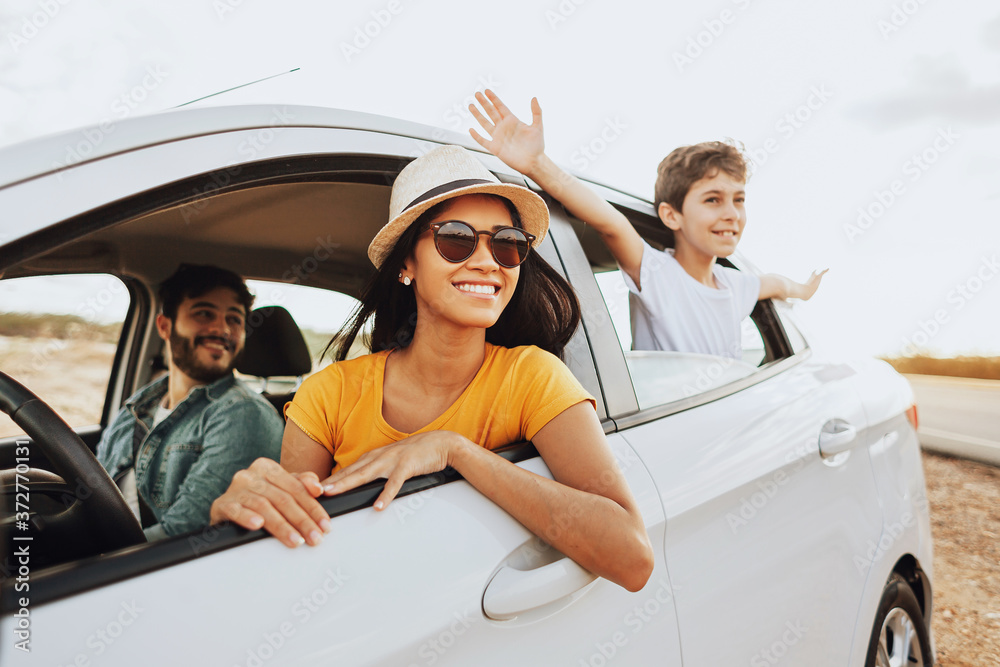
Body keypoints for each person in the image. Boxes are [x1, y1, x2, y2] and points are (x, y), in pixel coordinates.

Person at [210, 145, 654, 592]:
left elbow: (632, 558)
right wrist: (239, 516)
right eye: (457, 239)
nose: (486, 261)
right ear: (406, 263)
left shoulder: (533, 377)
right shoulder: (329, 395)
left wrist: (455, 451)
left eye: (507, 243)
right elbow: (286, 547)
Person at [469, 90, 827, 360]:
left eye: (739, 199)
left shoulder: (737, 284)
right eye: (713, 199)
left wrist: (804, 290)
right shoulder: (658, 273)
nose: (732, 212)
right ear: (672, 216)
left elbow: (776, 283)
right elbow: (611, 223)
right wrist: (537, 164)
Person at [97, 264, 284, 539]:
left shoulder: (242, 414)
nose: (221, 329)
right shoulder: (138, 405)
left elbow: (182, 538)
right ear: (164, 326)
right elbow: (92, 486)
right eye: (204, 313)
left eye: (234, 319)